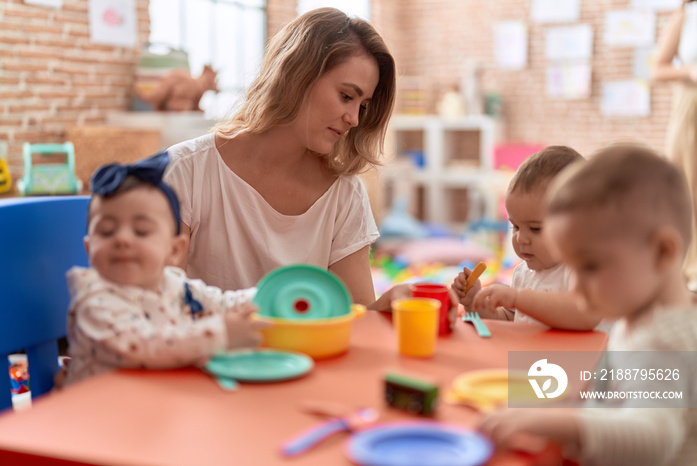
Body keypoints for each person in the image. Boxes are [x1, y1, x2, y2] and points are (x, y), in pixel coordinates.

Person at [164, 8, 403, 311]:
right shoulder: (185, 171)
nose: (354, 119)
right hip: (207, 356)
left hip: (310, 358)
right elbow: (162, 306)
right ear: (297, 75)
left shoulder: (345, 195)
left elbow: (355, 322)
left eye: (363, 105)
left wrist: (385, 307)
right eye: (346, 96)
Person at [478, 144, 697, 465]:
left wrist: (555, 422)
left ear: (663, 253)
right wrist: (545, 405)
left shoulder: (666, 341)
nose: (576, 287)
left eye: (590, 267)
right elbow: (605, 394)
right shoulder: (636, 318)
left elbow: (654, 436)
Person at [62, 153, 269, 386]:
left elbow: (220, 303)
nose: (122, 239)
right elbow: (143, 345)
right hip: (99, 412)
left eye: (141, 231)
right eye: (107, 231)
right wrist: (221, 335)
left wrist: (266, 296)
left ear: (174, 250)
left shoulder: (175, 285)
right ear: (89, 248)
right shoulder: (93, 301)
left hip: (159, 402)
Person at [451, 146, 601, 330]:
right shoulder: (523, 275)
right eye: (515, 226)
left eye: (535, 228)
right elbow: (511, 323)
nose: (521, 238)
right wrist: (476, 303)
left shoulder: (583, 270)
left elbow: (584, 314)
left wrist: (517, 298)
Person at [653, 0, 697, 290]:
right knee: (688, 186)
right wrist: (690, 72)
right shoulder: (686, 16)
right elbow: (658, 69)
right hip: (692, 108)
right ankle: (691, 267)